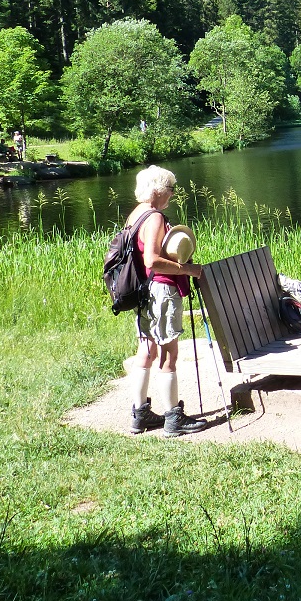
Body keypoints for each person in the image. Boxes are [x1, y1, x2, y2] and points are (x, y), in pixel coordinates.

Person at [124, 165, 209, 437]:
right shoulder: (155, 218)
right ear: (158, 190)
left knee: (146, 350)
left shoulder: (134, 215)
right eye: (171, 189)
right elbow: (152, 260)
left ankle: (140, 414)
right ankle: (174, 418)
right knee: (169, 352)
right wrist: (189, 270)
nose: (172, 194)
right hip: (161, 290)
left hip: (143, 291)